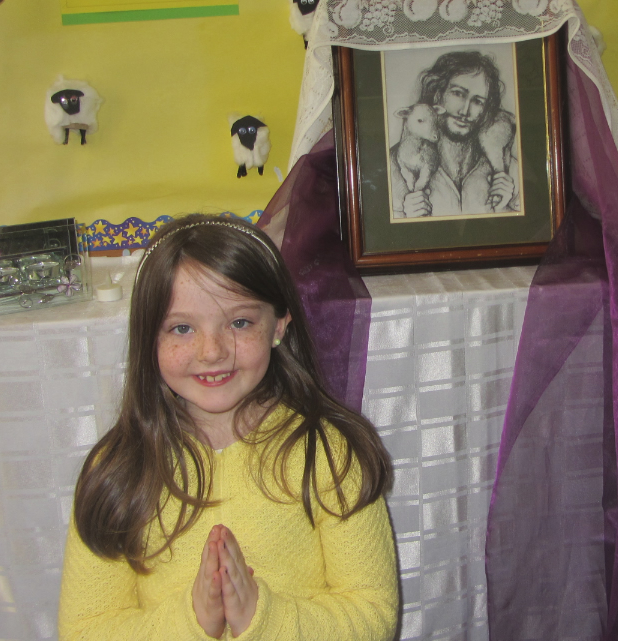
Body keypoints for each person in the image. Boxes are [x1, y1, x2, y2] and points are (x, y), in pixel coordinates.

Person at [58, 214, 398, 640]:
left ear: (278, 326)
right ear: (150, 339)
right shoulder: (118, 470)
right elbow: (85, 630)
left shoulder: (331, 454)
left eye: (239, 323)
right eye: (182, 328)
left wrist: (263, 617)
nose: (212, 351)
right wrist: (192, 622)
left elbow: (373, 615)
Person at [390, 50, 520, 218]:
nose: (465, 111)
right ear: (438, 95)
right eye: (458, 93)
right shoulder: (395, 166)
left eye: (478, 101)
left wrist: (503, 209)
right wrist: (408, 221)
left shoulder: (511, 170)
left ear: (486, 110)